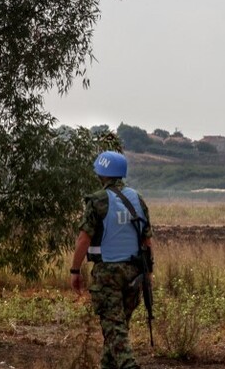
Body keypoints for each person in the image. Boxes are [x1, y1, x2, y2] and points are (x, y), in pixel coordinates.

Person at [70, 150, 154, 369]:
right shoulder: (138, 199)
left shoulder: (98, 200)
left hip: (107, 274)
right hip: (134, 274)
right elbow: (148, 241)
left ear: (102, 173)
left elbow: (83, 239)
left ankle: (130, 365)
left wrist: (75, 270)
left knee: (115, 330)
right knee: (117, 330)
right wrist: (148, 275)